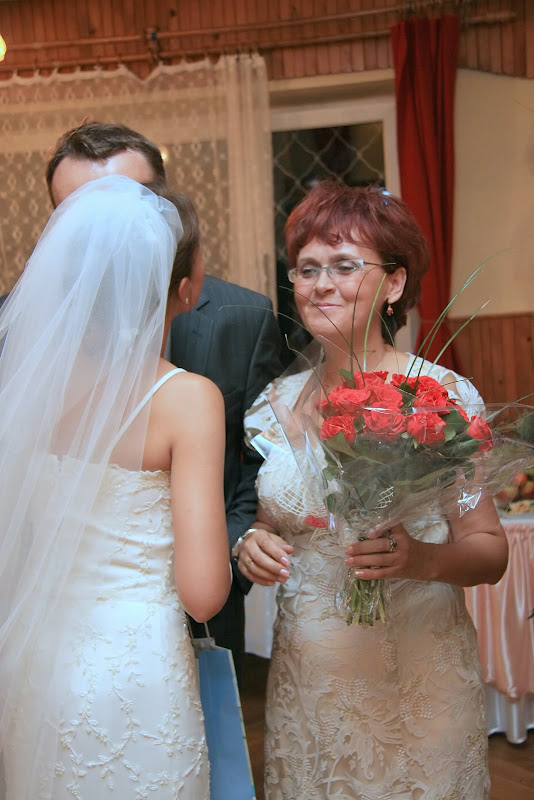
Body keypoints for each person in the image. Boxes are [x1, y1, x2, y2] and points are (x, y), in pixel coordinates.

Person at [236, 181, 508, 799]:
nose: (320, 284)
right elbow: (271, 520)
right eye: (307, 269)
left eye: (344, 265)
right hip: (310, 683)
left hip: (416, 683)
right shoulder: (274, 405)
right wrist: (251, 542)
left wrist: (420, 559)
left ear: (394, 283)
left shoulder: (438, 398)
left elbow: (490, 551)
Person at [0, 176, 231, 799]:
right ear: (185, 287)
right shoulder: (187, 399)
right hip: (137, 668)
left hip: (34, 663)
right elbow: (203, 594)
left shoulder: (27, 384)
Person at [46, 121, 283, 680]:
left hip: (185, 627)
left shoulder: (243, 317)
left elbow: (258, 461)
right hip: (72, 631)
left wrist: (238, 546)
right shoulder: (19, 335)